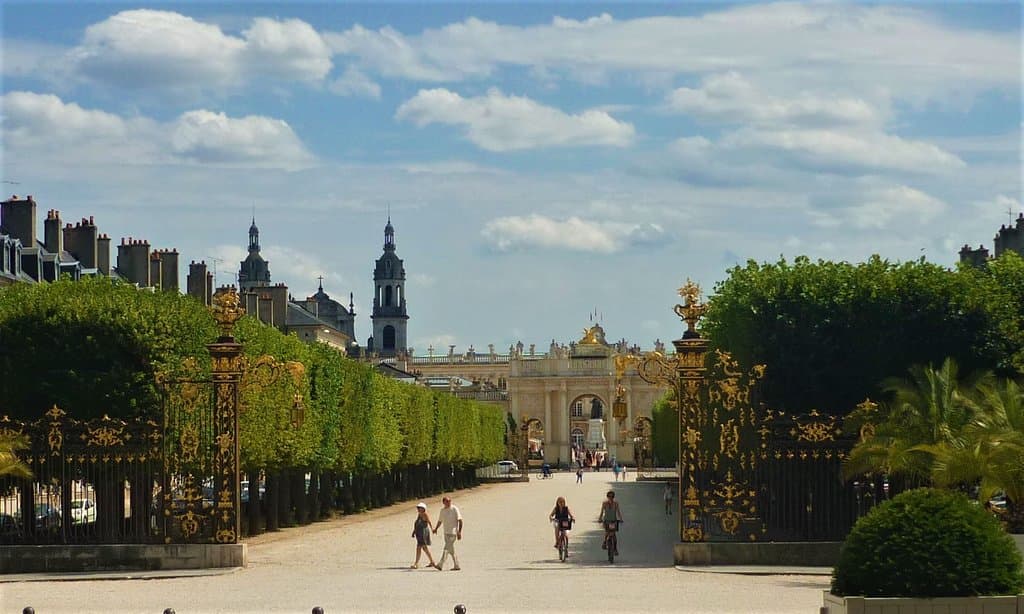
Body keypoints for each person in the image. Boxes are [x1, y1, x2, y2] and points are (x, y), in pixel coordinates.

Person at [432, 496, 463, 571]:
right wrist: (436, 528)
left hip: (453, 533)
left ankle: (440, 564)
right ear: (443, 502)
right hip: (446, 533)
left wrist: (459, 532)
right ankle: (457, 565)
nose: (449, 503)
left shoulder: (454, 509)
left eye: (449, 501)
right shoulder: (442, 511)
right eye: (447, 501)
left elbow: (460, 520)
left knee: (446, 549)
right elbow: (440, 521)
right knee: (451, 550)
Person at [411, 502, 439, 569]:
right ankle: (432, 561)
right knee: (424, 548)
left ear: (423, 508)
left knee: (419, 547)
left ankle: (416, 563)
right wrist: (414, 531)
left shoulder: (425, 514)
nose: (419, 509)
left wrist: (432, 529)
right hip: (419, 532)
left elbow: (429, 522)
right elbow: (417, 523)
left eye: (420, 508)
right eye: (418, 508)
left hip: (423, 533)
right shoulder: (419, 514)